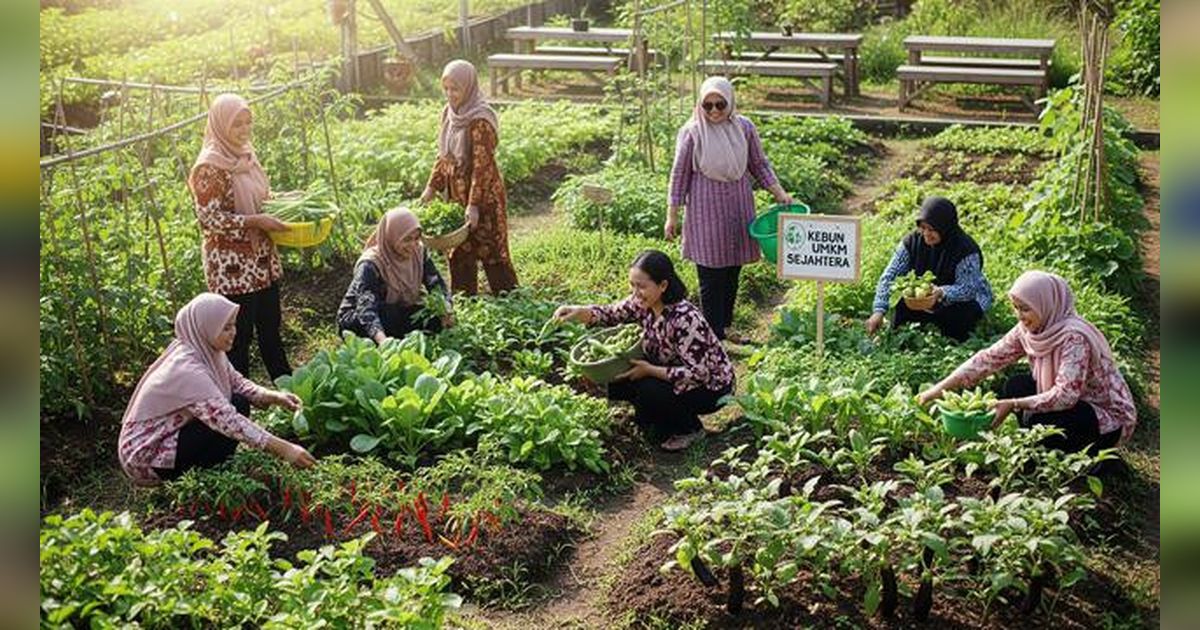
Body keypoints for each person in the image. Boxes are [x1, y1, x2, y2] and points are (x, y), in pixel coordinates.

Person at [917, 271, 1136, 454]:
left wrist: (1014, 404)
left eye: (1025, 308)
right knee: (1016, 385)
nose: (1019, 315)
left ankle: (1098, 459)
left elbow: (1066, 396)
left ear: (1046, 304)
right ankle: (1047, 446)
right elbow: (988, 359)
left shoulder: (1074, 338)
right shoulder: (1030, 329)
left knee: (1038, 422)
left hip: (1103, 417)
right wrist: (937, 390)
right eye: (1016, 307)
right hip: (1071, 405)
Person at [118, 293, 316, 486]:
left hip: (170, 435)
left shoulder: (205, 349)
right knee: (231, 414)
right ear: (206, 327)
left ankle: (211, 467)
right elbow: (229, 421)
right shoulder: (187, 369)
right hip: (146, 457)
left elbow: (237, 382)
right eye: (226, 328)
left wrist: (274, 396)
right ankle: (200, 477)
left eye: (233, 325)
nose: (234, 332)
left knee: (238, 401)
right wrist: (285, 449)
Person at [554, 250, 734, 452]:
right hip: (672, 371)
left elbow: (699, 374)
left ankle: (690, 429)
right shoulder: (642, 304)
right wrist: (579, 312)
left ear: (663, 285)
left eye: (641, 286)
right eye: (632, 285)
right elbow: (611, 314)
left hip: (712, 387)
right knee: (617, 384)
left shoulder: (685, 318)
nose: (635, 292)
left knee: (649, 388)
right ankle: (655, 418)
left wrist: (649, 371)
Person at [666, 76, 794, 343]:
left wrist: (780, 193)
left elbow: (758, 164)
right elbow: (679, 175)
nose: (713, 111)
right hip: (705, 208)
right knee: (710, 273)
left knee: (732, 269)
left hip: (737, 204)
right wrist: (672, 216)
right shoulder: (692, 132)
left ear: (731, 103)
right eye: (708, 105)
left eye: (720, 105)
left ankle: (724, 326)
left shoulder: (744, 128)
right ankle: (713, 336)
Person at [188, 93, 291, 415]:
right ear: (221, 124)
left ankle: (289, 389)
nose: (244, 129)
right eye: (237, 123)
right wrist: (255, 221)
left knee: (271, 323)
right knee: (239, 335)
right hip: (232, 265)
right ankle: (239, 409)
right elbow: (210, 218)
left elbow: (260, 195)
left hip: (260, 256)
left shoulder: (246, 154)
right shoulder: (210, 166)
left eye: (248, 121)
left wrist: (281, 203)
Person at [420, 59, 518, 296]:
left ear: (469, 87)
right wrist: (432, 187)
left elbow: (482, 167)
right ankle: (465, 301)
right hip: (456, 193)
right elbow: (445, 155)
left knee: (492, 248)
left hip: (484, 195)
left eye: (456, 89)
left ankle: (510, 298)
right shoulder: (449, 114)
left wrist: (474, 205)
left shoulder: (480, 120)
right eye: (446, 89)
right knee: (458, 250)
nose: (450, 94)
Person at [866, 196, 993, 342]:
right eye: (923, 228)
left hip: (958, 298)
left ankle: (952, 342)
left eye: (932, 229)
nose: (926, 233)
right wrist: (879, 311)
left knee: (962, 316)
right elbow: (890, 276)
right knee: (902, 302)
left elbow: (968, 288)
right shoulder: (912, 242)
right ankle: (906, 340)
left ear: (945, 228)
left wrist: (941, 292)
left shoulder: (965, 249)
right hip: (925, 298)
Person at [337, 208, 453, 344]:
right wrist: (383, 342)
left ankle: (398, 336)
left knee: (432, 319)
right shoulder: (371, 264)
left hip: (398, 309)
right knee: (389, 317)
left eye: (416, 238)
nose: (413, 245)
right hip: (359, 316)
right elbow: (366, 308)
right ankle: (383, 339)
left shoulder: (419, 252)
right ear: (391, 237)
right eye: (407, 239)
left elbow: (435, 284)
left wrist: (446, 308)